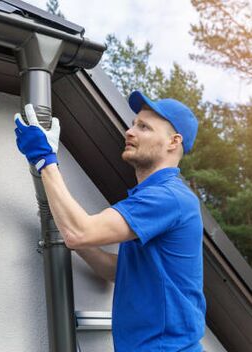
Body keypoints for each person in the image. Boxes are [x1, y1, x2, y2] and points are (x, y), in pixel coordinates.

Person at [14, 90, 206, 352]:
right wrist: (63, 223)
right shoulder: (155, 198)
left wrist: (44, 159)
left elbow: (79, 233)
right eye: (133, 124)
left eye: (144, 127)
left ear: (173, 142)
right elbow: (114, 270)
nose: (130, 131)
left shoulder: (167, 198)